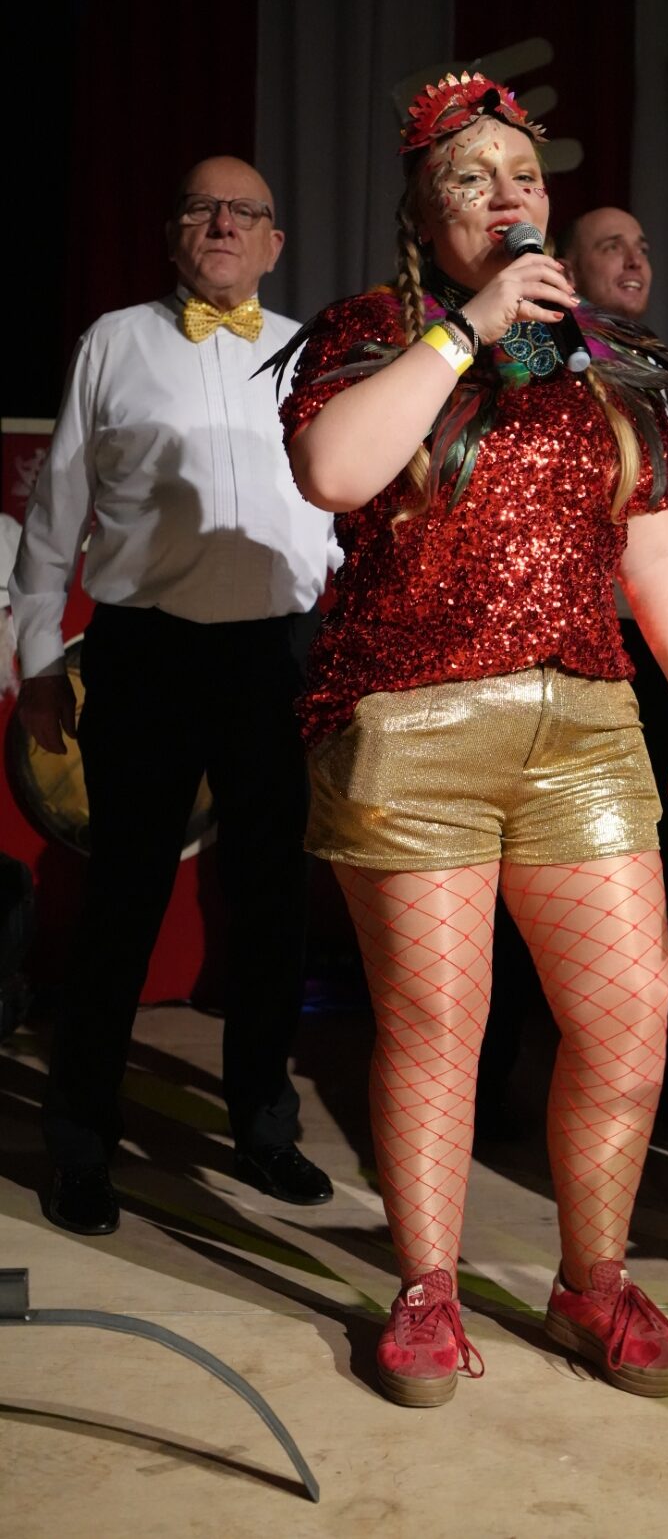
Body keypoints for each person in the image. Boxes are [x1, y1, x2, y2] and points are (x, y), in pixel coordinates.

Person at [275, 72, 668, 1406]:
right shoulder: (369, 332)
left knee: (630, 1020)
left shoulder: (601, 360)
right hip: (411, 727)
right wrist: (465, 330)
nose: (506, 195)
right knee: (436, 1026)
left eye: (522, 176)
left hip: (585, 727)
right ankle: (427, 1289)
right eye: (470, 178)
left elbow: (649, 536)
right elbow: (337, 472)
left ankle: (594, 1281)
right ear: (423, 213)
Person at [10, 157, 339, 1235]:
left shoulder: (310, 352)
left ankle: (264, 1127)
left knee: (273, 902)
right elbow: (57, 514)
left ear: (275, 243)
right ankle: (80, 1142)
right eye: (203, 206)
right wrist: (40, 663)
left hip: (276, 658)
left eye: (246, 211)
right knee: (122, 901)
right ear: (173, 233)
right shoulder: (114, 339)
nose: (223, 223)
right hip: (145, 654)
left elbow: (337, 512)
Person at [558, 206, 668, 1139]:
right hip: (574, 646)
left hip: (664, 654)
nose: (634, 259)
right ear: (567, 265)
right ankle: (509, 1066)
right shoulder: (541, 359)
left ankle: (661, 1072)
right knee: (552, 862)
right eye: (611, 246)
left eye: (643, 247)